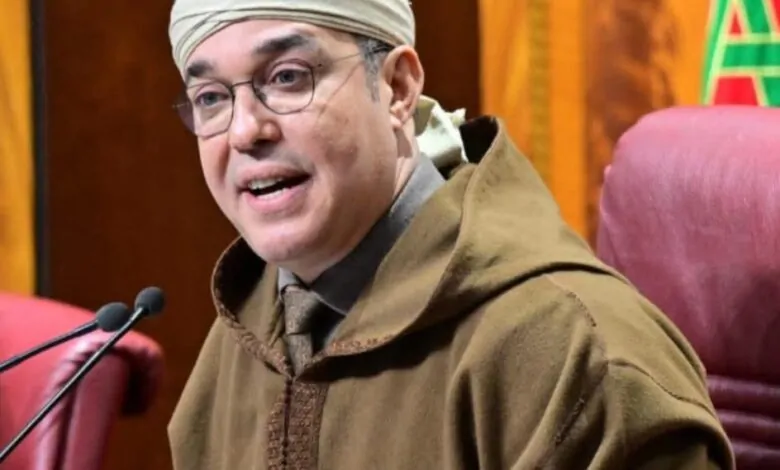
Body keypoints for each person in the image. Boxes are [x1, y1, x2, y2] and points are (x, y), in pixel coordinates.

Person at [166, 1, 735, 468]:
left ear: (397, 88)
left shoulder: (575, 355)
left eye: (288, 78)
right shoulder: (251, 324)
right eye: (211, 98)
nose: (245, 131)